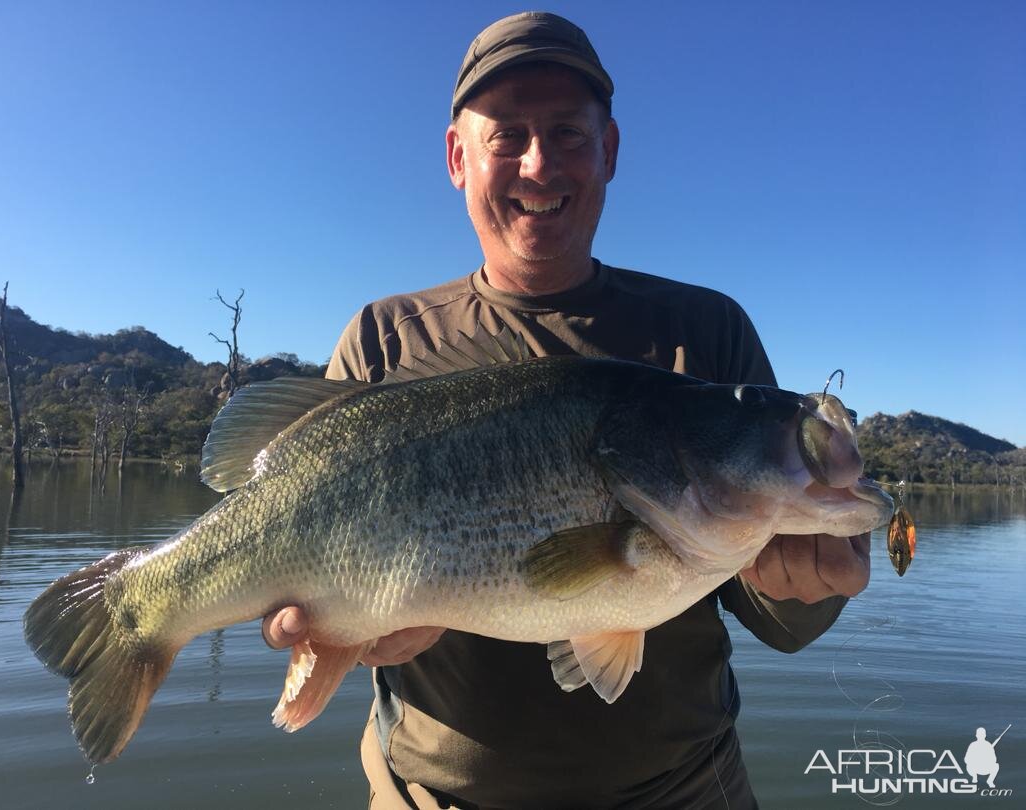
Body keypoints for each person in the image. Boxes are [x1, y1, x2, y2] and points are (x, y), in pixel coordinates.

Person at [264, 12, 870, 809]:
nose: (538, 163)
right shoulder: (383, 343)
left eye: (567, 134)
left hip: (684, 792)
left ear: (610, 150)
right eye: (506, 136)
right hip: (430, 798)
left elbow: (782, 622)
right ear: (457, 157)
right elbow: (300, 575)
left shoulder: (704, 333)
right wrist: (331, 634)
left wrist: (812, 582)